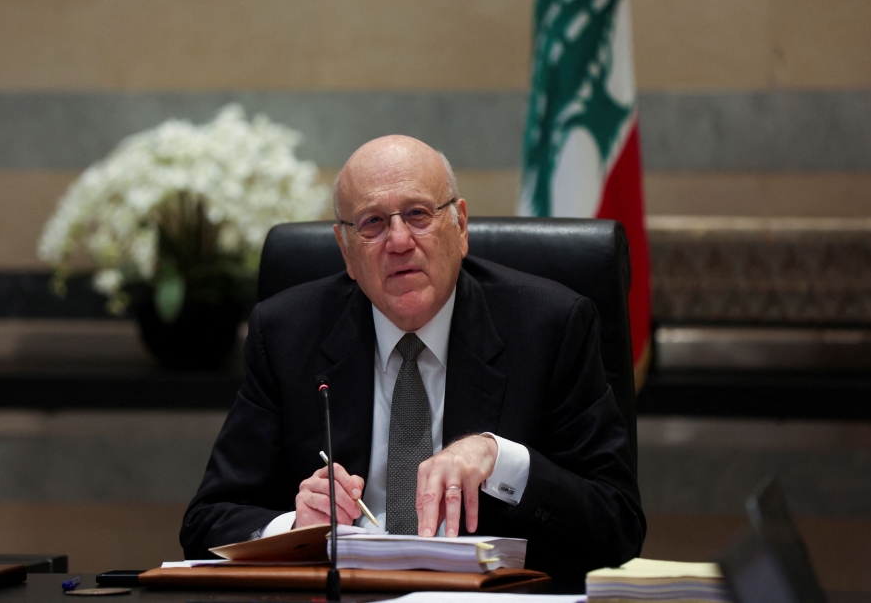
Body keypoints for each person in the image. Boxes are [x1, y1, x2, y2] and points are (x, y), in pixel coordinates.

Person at [180, 135, 644, 583]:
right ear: (346, 249)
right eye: (372, 223)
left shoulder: (549, 327)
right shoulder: (287, 333)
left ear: (460, 226)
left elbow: (617, 527)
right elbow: (207, 522)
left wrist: (500, 460)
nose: (399, 241)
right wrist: (295, 529)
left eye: (419, 214)